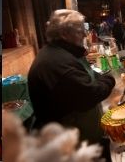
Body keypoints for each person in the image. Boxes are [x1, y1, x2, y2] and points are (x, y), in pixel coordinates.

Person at [28, 9, 116, 146]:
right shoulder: (57, 62)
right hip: (71, 145)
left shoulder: (62, 52)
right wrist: (110, 79)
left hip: (81, 137)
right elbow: (91, 94)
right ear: (64, 34)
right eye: (80, 31)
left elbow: (88, 76)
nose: (85, 34)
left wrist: (100, 77)